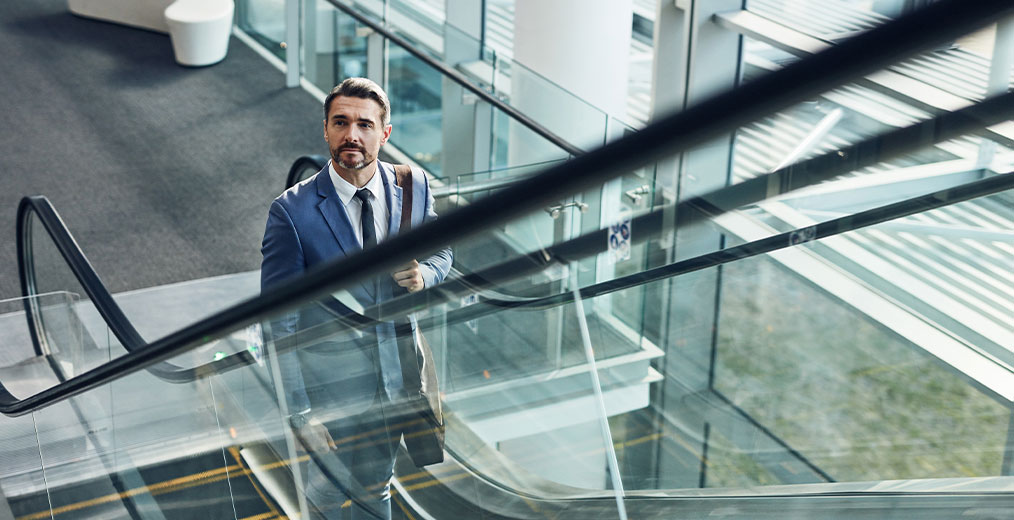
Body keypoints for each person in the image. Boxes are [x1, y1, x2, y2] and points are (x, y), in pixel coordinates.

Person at [260, 77, 452, 519]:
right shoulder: (291, 213)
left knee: (376, 485)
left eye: (365, 124)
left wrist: (427, 272)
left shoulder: (414, 186)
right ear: (325, 130)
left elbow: (443, 248)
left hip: (397, 379)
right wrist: (300, 415)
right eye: (341, 122)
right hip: (331, 390)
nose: (352, 135)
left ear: (385, 133)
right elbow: (278, 322)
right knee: (328, 491)